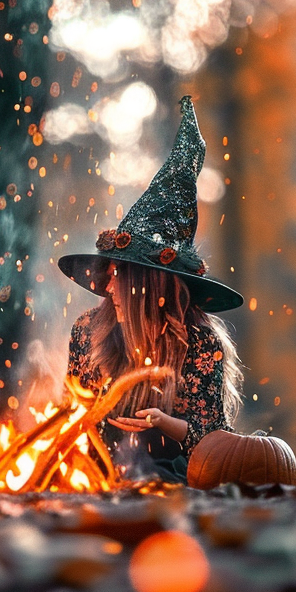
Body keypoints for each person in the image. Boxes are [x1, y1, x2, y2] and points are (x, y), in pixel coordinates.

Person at [59, 96, 246, 483]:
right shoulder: (87, 332)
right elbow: (70, 419)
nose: (108, 286)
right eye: (108, 273)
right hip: (95, 480)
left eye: (119, 277)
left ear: (148, 284)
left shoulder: (200, 343)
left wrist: (163, 422)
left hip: (172, 480)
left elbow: (214, 441)